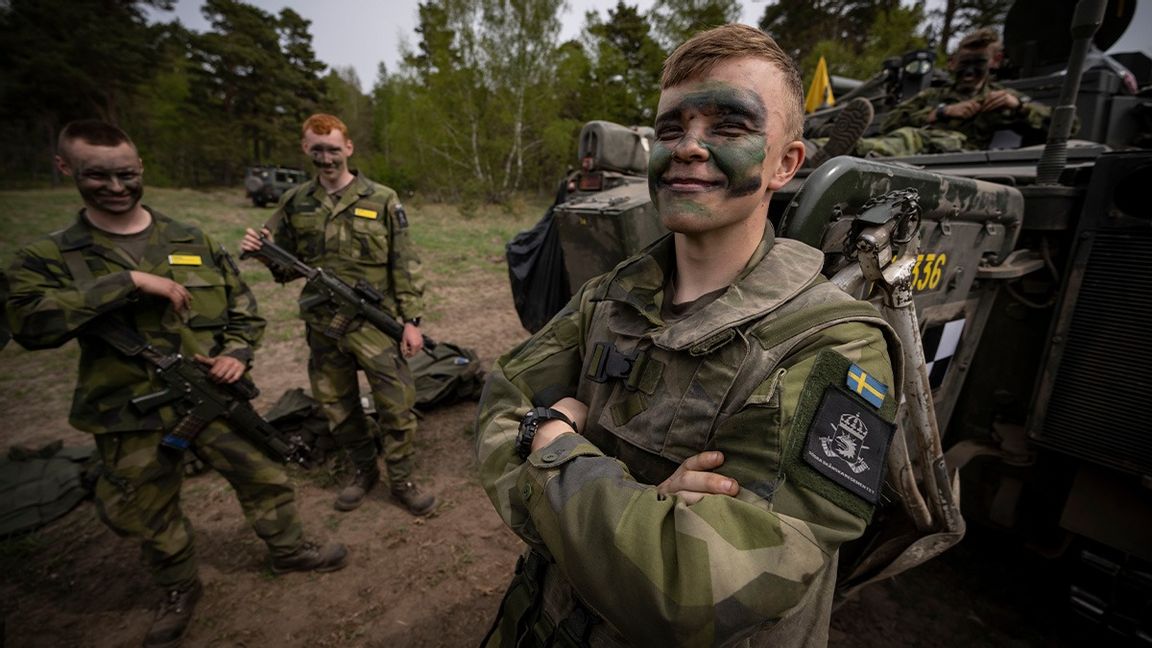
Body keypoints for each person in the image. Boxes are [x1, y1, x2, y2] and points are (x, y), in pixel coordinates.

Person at [475, 24, 902, 648]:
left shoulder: (833, 345)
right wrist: (641, 511)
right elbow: (500, 402)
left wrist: (552, 438)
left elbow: (688, 592)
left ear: (786, 163)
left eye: (728, 128)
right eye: (671, 129)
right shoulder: (613, 293)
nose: (687, 148)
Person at [5, 120, 348, 647]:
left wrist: (237, 353)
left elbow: (244, 311)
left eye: (125, 174)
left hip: (213, 397)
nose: (116, 188)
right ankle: (178, 587)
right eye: (97, 176)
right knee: (148, 509)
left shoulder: (192, 238)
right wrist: (126, 283)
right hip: (127, 410)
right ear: (65, 169)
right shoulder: (49, 257)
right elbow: (28, 323)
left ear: (140, 169)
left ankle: (289, 549)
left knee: (266, 475)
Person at [240, 113, 437, 515]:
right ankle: (364, 472)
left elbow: (405, 263)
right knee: (338, 406)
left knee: (396, 406)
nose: (326, 158)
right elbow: (284, 267)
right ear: (305, 148)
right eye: (317, 149)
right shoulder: (294, 202)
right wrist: (262, 251)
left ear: (348, 147)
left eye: (332, 148)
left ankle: (401, 479)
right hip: (324, 326)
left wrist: (412, 322)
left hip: (376, 323)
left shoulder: (382, 198)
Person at [848, 28, 1054, 157]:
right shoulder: (933, 95)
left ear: (994, 61)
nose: (970, 71)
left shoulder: (1001, 98)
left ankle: (847, 150)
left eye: (978, 63)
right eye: (964, 63)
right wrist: (940, 113)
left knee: (911, 136)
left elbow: (1064, 128)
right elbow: (889, 123)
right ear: (952, 63)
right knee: (899, 136)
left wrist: (1019, 106)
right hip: (906, 148)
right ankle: (818, 148)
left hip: (960, 155)